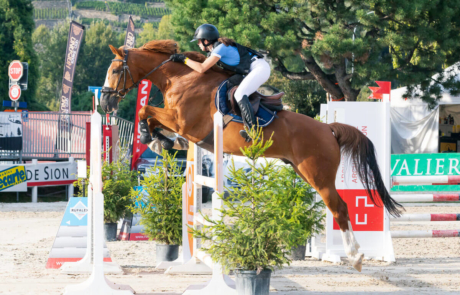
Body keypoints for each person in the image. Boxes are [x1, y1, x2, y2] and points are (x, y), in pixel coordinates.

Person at [169, 24, 271, 142]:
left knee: (239, 94)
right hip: (252, 69)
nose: (198, 44)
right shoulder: (216, 49)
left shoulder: (220, 48)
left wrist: (184, 59)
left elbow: (202, 68)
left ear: (206, 41)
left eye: (199, 41)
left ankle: (253, 131)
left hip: (259, 68)